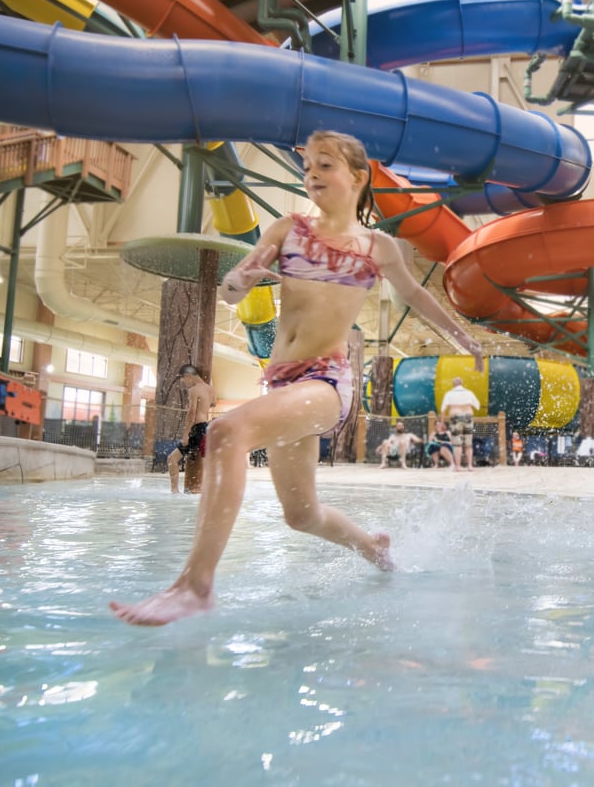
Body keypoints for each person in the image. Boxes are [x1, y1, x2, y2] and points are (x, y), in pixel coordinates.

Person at [110, 129, 484, 626]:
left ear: (357, 176)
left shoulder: (379, 247)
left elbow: (416, 296)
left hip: (327, 384)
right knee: (301, 514)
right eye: (307, 166)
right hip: (284, 383)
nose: (312, 174)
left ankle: (195, 586)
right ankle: (373, 546)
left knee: (226, 432)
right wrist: (236, 283)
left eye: (325, 165)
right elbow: (232, 286)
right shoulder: (286, 230)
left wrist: (465, 339)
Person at [166, 364, 216, 494]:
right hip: (206, 427)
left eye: (184, 379)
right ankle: (208, 490)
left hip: (196, 428)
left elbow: (191, 412)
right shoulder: (210, 389)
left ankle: (174, 491)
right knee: (205, 461)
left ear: (188, 376)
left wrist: (186, 434)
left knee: (172, 459)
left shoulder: (194, 390)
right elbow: (213, 403)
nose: (184, 383)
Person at [440, 376, 481, 471]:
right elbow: (477, 406)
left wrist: (442, 423)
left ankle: (458, 466)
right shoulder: (469, 393)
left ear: (453, 384)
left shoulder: (449, 394)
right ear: (462, 383)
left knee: (457, 443)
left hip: (455, 417)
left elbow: (443, 409)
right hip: (468, 416)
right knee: (468, 443)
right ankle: (470, 466)